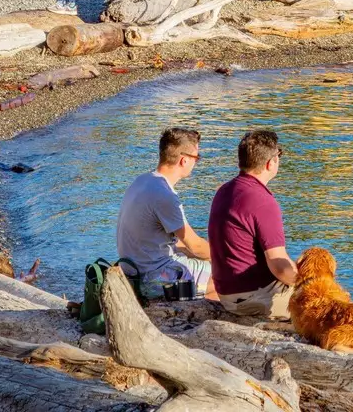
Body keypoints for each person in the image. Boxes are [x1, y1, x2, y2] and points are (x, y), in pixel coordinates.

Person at [207, 129, 299, 319]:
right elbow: (278, 266)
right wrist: (307, 281)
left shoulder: (224, 190)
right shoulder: (263, 201)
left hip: (227, 293)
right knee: (328, 304)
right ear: (270, 163)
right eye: (278, 155)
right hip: (254, 298)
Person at [116, 126, 215, 299]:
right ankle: (198, 322)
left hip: (134, 271)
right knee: (230, 278)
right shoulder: (166, 195)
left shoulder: (142, 181)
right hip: (154, 279)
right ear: (184, 160)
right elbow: (195, 246)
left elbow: (179, 243)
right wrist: (232, 256)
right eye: (196, 158)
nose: (196, 162)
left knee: (209, 261)